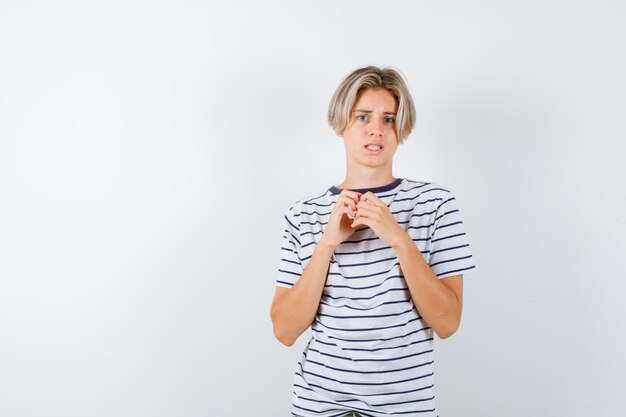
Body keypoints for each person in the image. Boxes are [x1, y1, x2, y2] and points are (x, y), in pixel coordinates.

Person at [270, 65, 476, 417]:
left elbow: (448, 323)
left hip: (404, 409)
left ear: (402, 130)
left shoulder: (435, 204)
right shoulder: (303, 213)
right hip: (318, 407)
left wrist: (398, 238)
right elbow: (285, 331)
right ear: (341, 124)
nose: (376, 130)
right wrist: (326, 244)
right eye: (363, 117)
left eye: (389, 119)